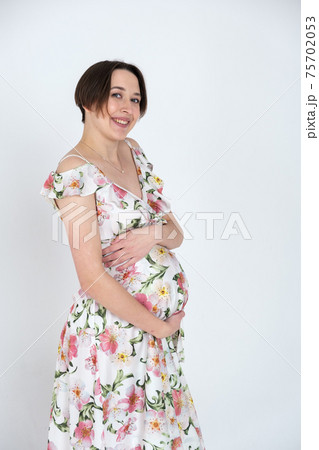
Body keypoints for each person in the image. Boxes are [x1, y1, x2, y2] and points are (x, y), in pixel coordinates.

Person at [40, 60, 205, 449]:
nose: (127, 108)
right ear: (88, 97)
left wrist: (150, 234)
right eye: (116, 95)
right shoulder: (74, 173)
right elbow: (92, 277)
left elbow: (176, 233)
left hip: (152, 338)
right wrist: (159, 326)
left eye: (135, 98)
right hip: (110, 339)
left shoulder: (133, 151)